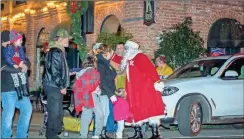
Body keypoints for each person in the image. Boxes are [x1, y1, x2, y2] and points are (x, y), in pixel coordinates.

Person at [120, 40, 165, 138]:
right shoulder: (129, 59)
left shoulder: (140, 57)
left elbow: (150, 70)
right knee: (136, 110)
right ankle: (138, 133)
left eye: (126, 49)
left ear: (131, 49)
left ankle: (156, 134)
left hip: (145, 90)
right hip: (134, 91)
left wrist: (156, 82)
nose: (125, 51)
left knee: (151, 110)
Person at [1, 30, 32, 138]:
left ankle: (21, 135)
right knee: (8, 116)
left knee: (27, 109)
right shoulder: (2, 52)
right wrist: (21, 69)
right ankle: (4, 136)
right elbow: (4, 68)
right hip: (8, 88)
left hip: (21, 87)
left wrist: (26, 66)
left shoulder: (18, 50)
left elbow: (27, 60)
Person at [43, 29, 71, 139]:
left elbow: (59, 70)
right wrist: (62, 86)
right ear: (61, 39)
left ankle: (53, 134)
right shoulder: (55, 51)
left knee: (58, 112)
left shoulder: (59, 51)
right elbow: (54, 72)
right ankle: (51, 135)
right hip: (53, 85)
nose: (68, 40)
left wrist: (68, 74)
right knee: (55, 113)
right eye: (67, 38)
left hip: (54, 85)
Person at [73, 56, 104, 138]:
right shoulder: (94, 72)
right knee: (100, 114)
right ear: (94, 63)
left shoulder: (80, 73)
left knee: (86, 116)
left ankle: (83, 135)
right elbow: (93, 85)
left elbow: (76, 86)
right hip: (92, 96)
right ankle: (97, 134)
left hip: (83, 96)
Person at [95, 43, 117, 138]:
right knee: (103, 113)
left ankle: (103, 132)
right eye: (111, 53)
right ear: (106, 52)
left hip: (108, 92)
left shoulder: (105, 62)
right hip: (104, 92)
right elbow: (102, 81)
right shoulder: (101, 63)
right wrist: (111, 94)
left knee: (107, 113)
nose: (112, 55)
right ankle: (100, 133)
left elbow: (113, 74)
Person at [2, 30, 29, 97]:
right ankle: (19, 92)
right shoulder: (7, 49)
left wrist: (23, 63)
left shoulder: (19, 48)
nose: (22, 42)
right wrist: (15, 66)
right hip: (7, 88)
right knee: (15, 79)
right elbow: (6, 62)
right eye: (20, 40)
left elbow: (24, 57)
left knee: (23, 78)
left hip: (19, 68)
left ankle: (24, 91)